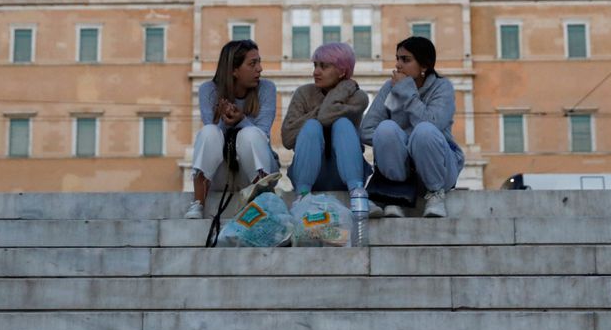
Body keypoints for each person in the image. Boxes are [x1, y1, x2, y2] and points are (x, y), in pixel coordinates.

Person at [360, 36, 464, 218]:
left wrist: (407, 91)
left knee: (424, 131)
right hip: (402, 174)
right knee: (386, 129)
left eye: (406, 60)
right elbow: (367, 130)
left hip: (439, 169)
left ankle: (435, 196)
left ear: (424, 66)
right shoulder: (391, 88)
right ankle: (395, 196)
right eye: (397, 59)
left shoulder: (442, 88)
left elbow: (433, 125)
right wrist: (401, 147)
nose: (398, 65)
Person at [184, 39, 279, 219]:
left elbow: (263, 135)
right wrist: (224, 121)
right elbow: (215, 137)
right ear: (234, 70)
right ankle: (198, 203)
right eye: (252, 64)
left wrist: (241, 119)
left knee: (250, 133)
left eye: (259, 62)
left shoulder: (266, 88)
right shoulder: (208, 90)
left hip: (256, 171)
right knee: (209, 131)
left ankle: (263, 204)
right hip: (222, 174)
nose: (260, 69)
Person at [281, 42, 371, 200]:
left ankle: (357, 193)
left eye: (324, 66)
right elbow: (288, 138)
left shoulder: (357, 97)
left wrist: (343, 89)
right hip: (308, 174)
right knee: (311, 127)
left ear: (342, 71)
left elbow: (326, 116)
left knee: (342, 124)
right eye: (315, 65)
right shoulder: (304, 93)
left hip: (345, 173)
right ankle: (302, 195)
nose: (316, 72)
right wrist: (320, 110)